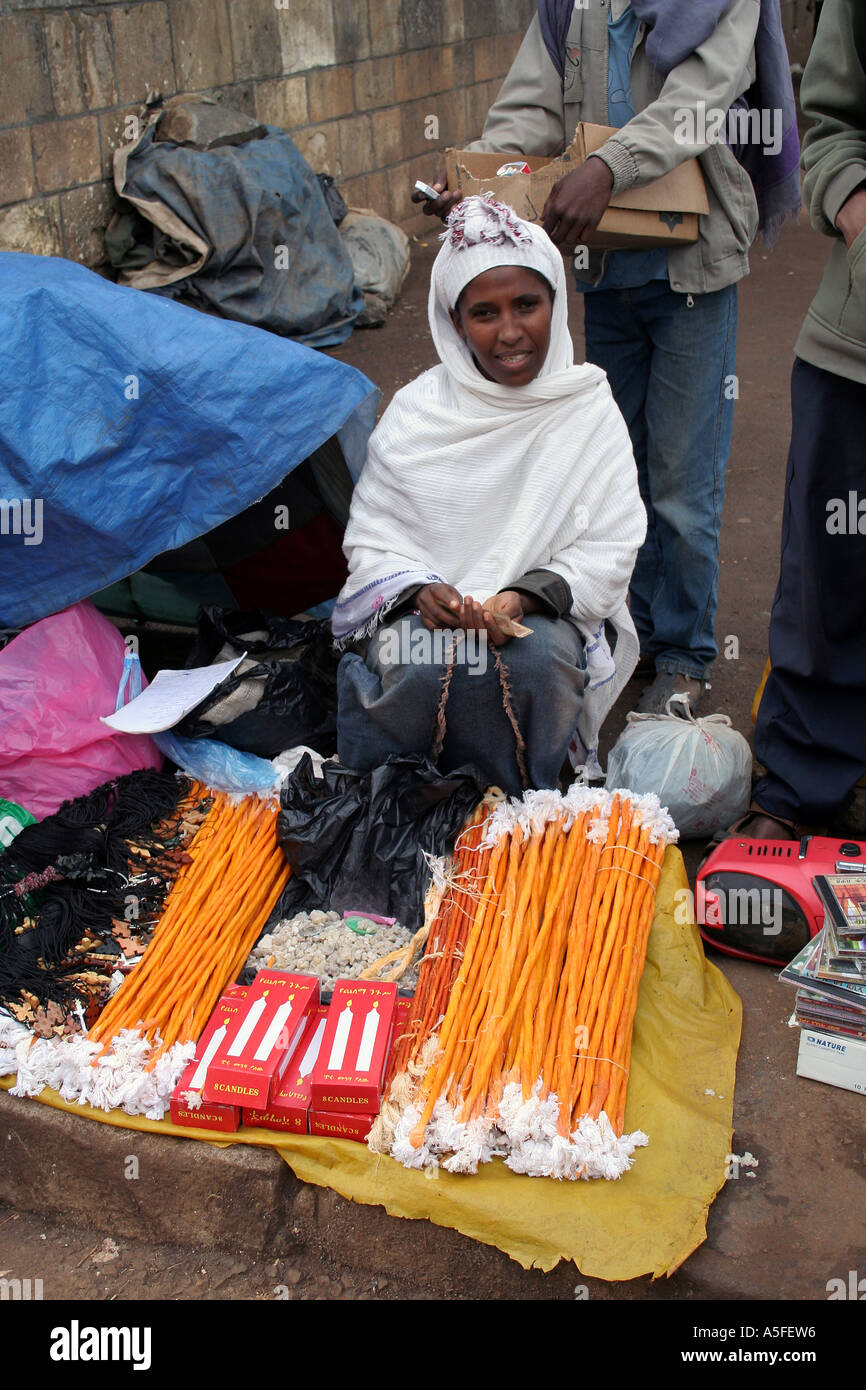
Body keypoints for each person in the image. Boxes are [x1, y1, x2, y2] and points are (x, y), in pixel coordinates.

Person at [416, 0, 801, 716]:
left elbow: (697, 105)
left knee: (683, 487)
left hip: (691, 267)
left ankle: (685, 656)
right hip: (606, 265)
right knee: (619, 475)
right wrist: (477, 181)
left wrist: (605, 167)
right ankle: (640, 637)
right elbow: (530, 108)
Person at [331, 194, 646, 796]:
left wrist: (521, 598)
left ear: (554, 301)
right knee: (413, 663)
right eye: (484, 313)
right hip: (424, 614)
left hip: (540, 614)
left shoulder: (586, 409)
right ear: (454, 323)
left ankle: (524, 818)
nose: (510, 333)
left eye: (527, 305)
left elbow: (611, 543)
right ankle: (396, 810)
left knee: (536, 664)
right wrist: (420, 589)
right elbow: (372, 540)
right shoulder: (417, 414)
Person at [725, 0, 866, 840]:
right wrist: (856, 207)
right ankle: (806, 782)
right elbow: (834, 124)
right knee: (830, 576)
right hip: (856, 347)